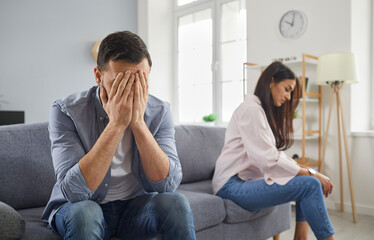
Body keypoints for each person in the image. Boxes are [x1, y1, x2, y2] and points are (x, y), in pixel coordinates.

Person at [41, 30, 196, 240]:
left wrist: (138, 123)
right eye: (120, 83)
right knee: (86, 213)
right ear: (98, 76)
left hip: (135, 208)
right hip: (81, 208)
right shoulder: (66, 111)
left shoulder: (159, 111)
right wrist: (116, 125)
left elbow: (167, 185)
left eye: (139, 82)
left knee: (177, 204)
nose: (130, 93)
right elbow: (74, 192)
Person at [212, 61, 335, 240]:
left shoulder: (259, 111)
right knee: (310, 184)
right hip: (230, 186)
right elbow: (268, 159)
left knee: (306, 181)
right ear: (271, 82)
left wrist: (310, 172)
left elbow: (275, 155)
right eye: (287, 89)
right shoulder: (251, 109)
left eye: (291, 92)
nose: (288, 96)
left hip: (244, 181)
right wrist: (313, 174)